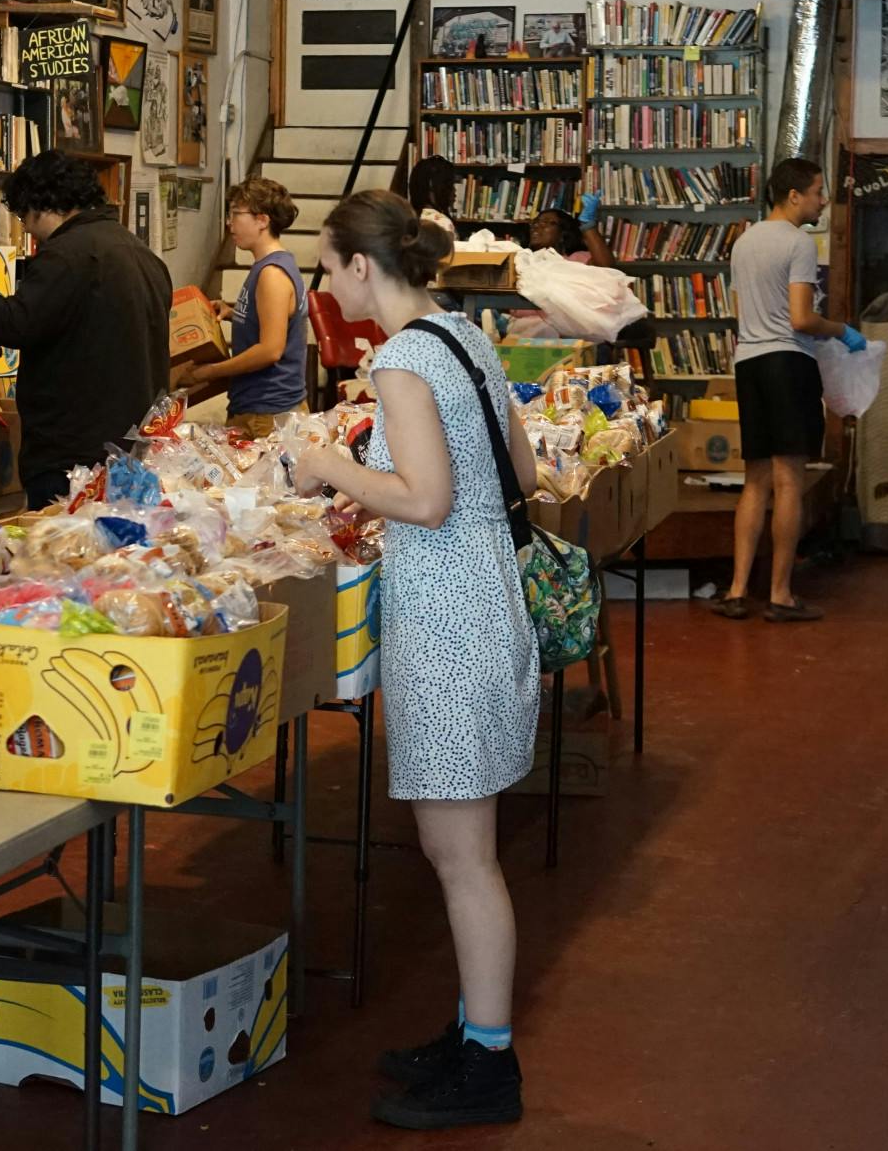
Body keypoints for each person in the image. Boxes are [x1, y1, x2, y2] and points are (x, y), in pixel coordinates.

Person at [291, 190, 535, 1130]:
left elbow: (426, 500)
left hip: (446, 618)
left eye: (324, 264)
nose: (319, 281)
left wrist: (328, 467)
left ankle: (492, 1064)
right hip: (486, 597)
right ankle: (479, 1031)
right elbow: (514, 472)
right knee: (456, 847)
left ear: (362, 267)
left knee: (463, 856)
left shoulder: (397, 359)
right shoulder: (463, 335)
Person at [0, 152, 171, 510]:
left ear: (41, 205)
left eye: (24, 216)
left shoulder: (68, 254)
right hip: (134, 445)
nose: (26, 229)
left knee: (62, 557)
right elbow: (75, 327)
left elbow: (13, 324)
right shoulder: (142, 254)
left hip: (73, 455)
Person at [710, 157, 864, 623]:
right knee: (789, 480)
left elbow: (745, 313)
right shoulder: (798, 242)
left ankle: (737, 590)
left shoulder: (744, 242)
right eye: (819, 191)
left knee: (755, 481)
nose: (823, 200)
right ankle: (780, 594)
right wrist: (841, 330)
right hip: (787, 361)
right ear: (794, 195)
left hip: (749, 363)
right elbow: (801, 319)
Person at [184, 177, 308, 436]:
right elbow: (269, 319)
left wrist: (211, 372)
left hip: (267, 412)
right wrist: (232, 314)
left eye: (236, 214)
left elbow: (270, 350)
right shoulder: (269, 265)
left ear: (262, 220)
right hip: (260, 407)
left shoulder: (272, 273)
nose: (230, 223)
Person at [527, 190, 616, 267]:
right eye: (535, 221)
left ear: (563, 233)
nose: (536, 225)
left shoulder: (576, 259)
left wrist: (588, 224)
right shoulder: (525, 259)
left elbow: (605, 266)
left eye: (546, 222)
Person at [407, 155, 460, 239]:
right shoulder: (442, 224)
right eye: (449, 185)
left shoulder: (407, 221)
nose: (454, 191)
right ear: (432, 186)